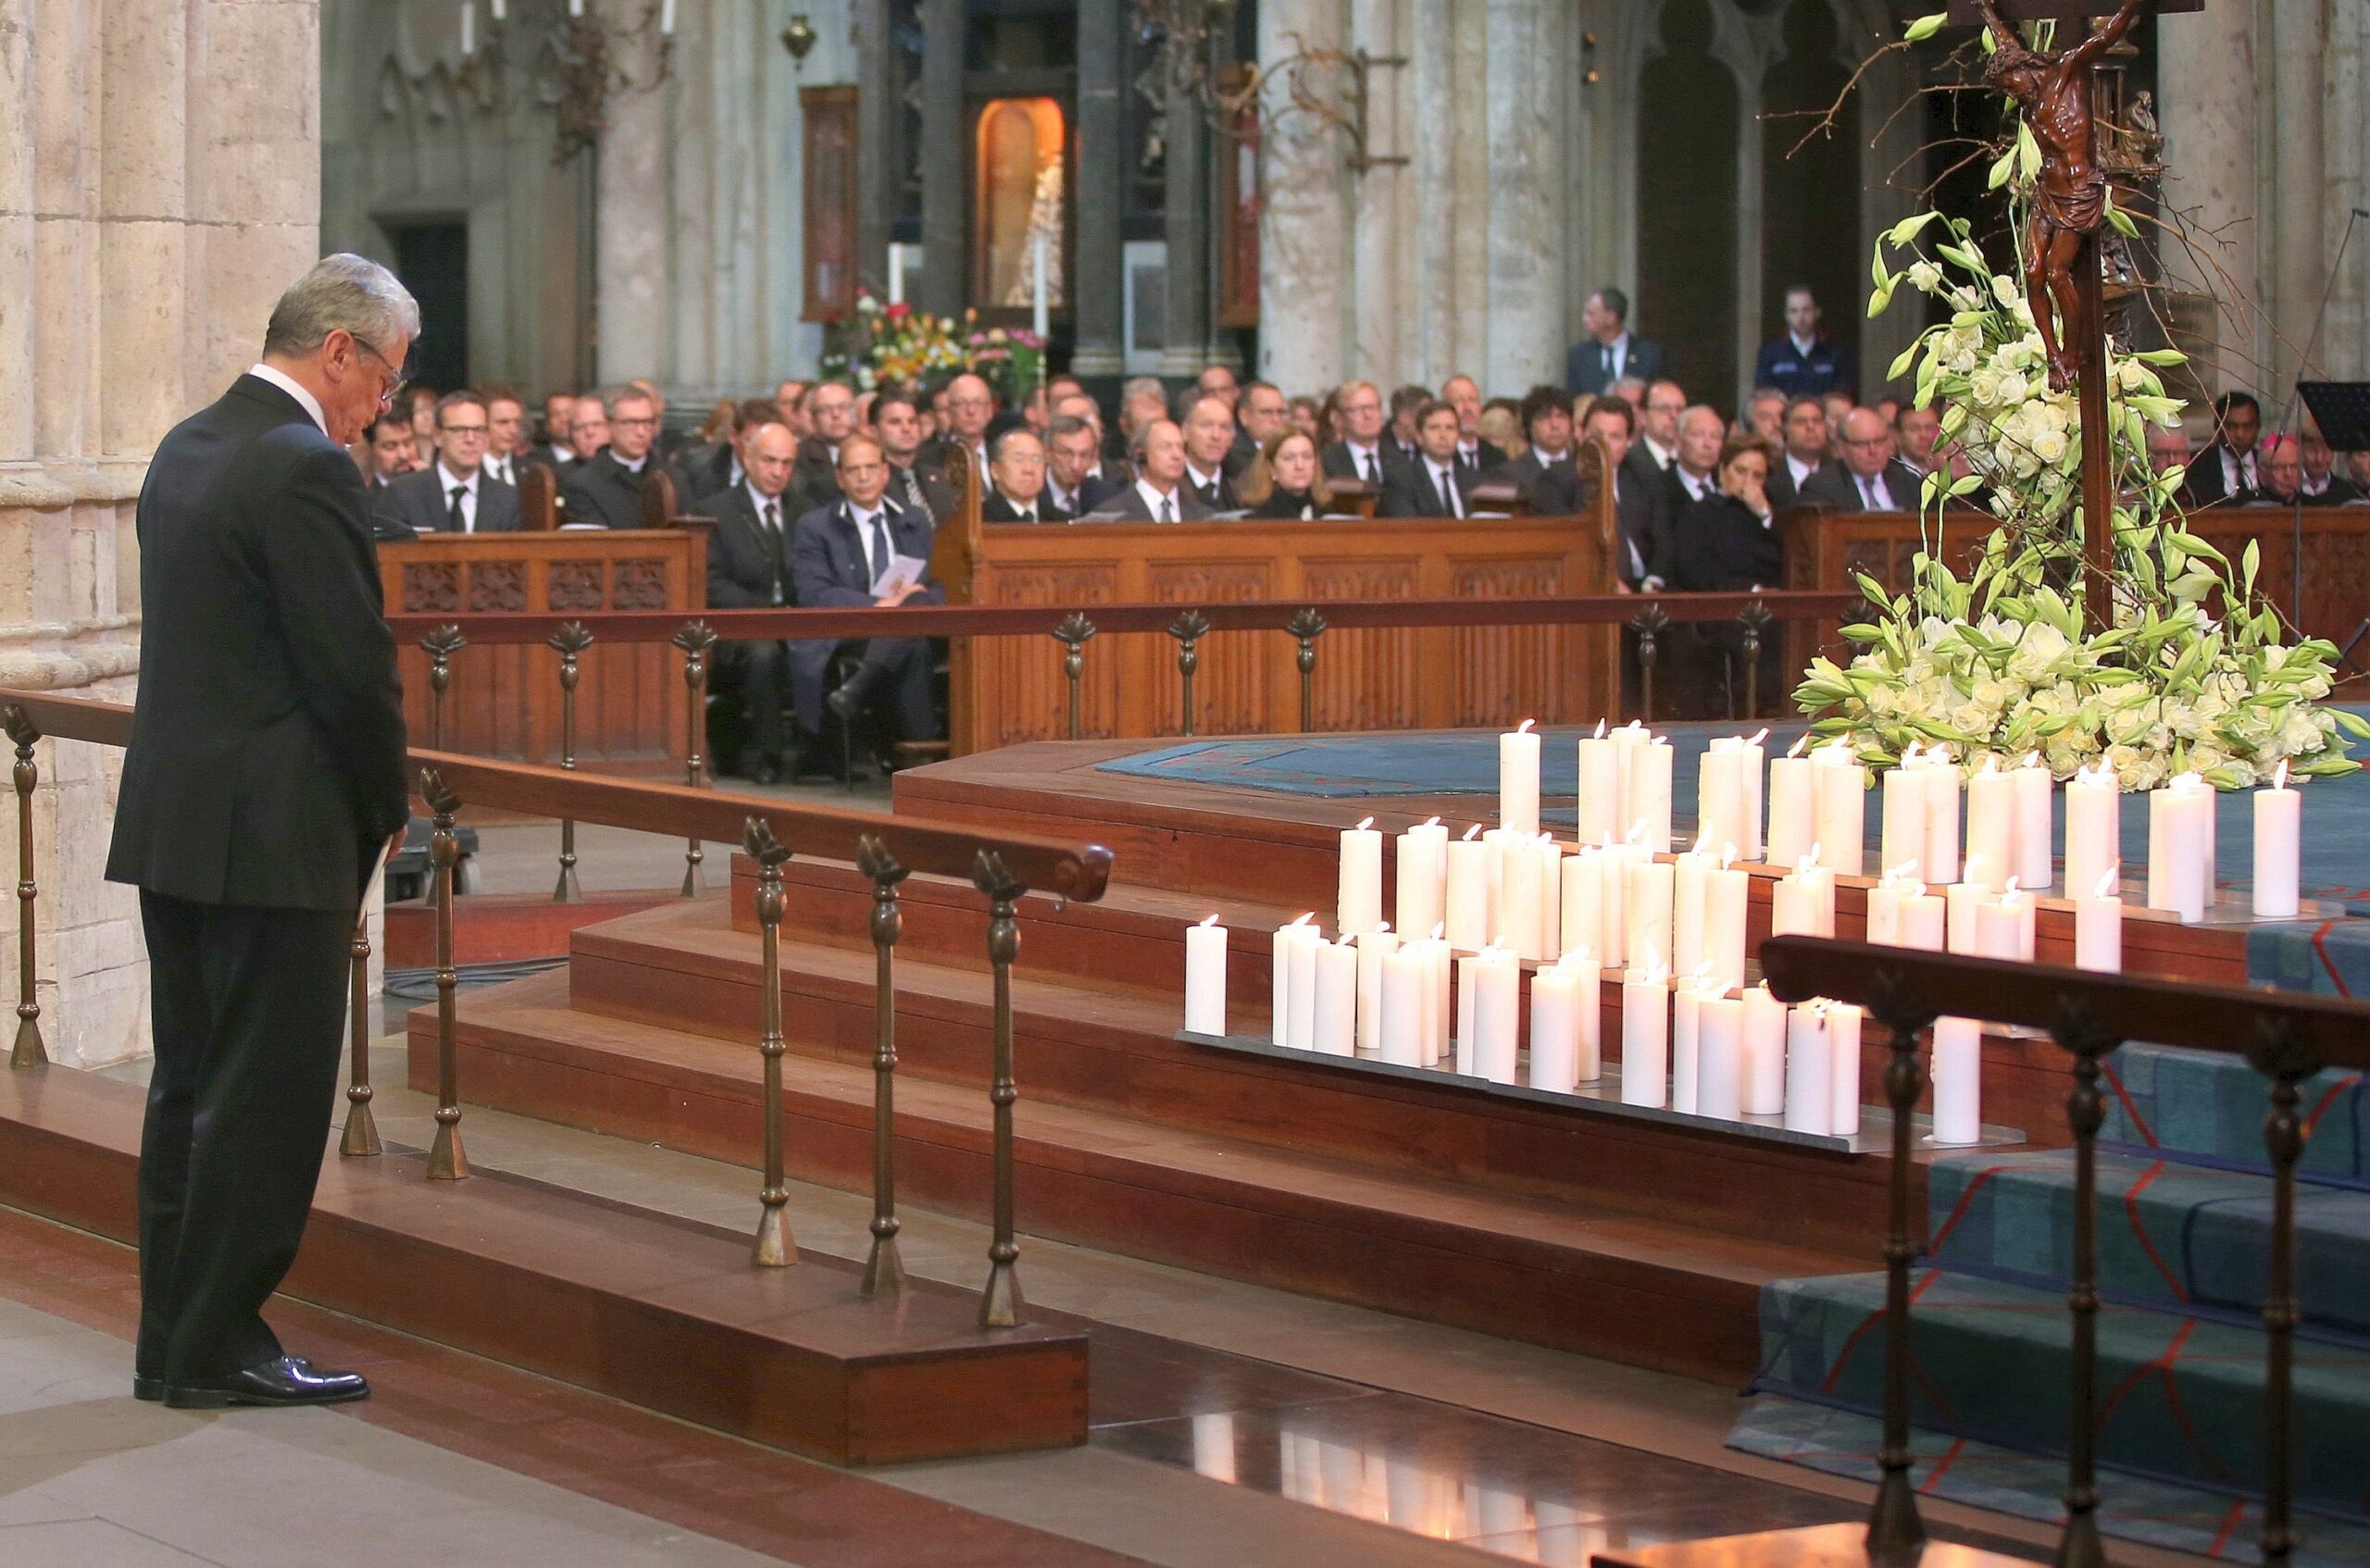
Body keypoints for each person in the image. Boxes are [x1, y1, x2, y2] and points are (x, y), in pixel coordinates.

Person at [107, 253, 413, 1412]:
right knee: (268, 1100)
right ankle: (220, 1340)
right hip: (277, 836)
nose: (379, 407)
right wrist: (385, 806)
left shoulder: (188, 442)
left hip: (177, 823)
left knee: (187, 1087)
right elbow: (349, 671)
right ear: (338, 349)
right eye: (383, 379)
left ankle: (172, 1341)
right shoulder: (302, 467)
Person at [790, 435, 943, 745]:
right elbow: (815, 593)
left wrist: (910, 601)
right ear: (840, 478)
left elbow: (934, 580)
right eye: (853, 470)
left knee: (915, 618)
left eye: (871, 468)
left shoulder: (914, 520)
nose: (863, 477)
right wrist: (882, 605)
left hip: (917, 621)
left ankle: (858, 688)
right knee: (914, 642)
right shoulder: (815, 526)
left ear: (886, 473)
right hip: (854, 627)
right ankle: (921, 750)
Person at [706, 419, 802, 782]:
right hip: (739, 626)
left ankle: (827, 753)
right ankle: (769, 757)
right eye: (769, 461)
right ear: (747, 458)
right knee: (764, 654)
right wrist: (766, 612)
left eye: (787, 463)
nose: (778, 472)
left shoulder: (802, 508)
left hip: (798, 620)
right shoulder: (717, 511)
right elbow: (711, 583)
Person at [1664, 435, 1785, 718]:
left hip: (1771, 608)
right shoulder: (1699, 514)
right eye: (1740, 471)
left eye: (1758, 476)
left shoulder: (1770, 518)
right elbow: (1694, 569)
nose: (1747, 483)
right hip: (1721, 609)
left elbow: (1783, 563)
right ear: (1722, 471)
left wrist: (1764, 514)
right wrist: (1750, 588)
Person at [382, 390, 521, 533]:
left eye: (478, 430)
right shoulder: (403, 494)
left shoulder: (508, 499)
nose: (470, 439)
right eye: (459, 430)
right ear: (437, 436)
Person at [559, 385, 661, 528]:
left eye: (647, 423)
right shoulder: (583, 484)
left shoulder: (672, 476)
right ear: (609, 425)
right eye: (630, 423)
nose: (641, 432)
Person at [1803, 408, 1922, 512]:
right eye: (1862, 444)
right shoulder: (1820, 487)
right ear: (1842, 448)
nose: (1873, 451)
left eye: (1879, 441)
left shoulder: (1910, 484)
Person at [873, 390, 958, 530]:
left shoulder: (939, 476)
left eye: (912, 421)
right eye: (895, 422)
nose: (906, 428)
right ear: (874, 431)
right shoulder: (873, 482)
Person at [1378, 401, 1478, 519]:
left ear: (1458, 436)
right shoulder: (1400, 481)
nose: (1443, 435)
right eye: (1434, 428)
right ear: (1419, 436)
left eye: (1450, 428)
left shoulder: (1473, 481)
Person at [1753, 287, 1857, 400]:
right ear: (1786, 315)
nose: (1800, 317)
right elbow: (1764, 396)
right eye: (1794, 311)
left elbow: (1843, 396)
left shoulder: (1836, 355)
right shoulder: (1770, 355)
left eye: (1806, 310)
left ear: (1817, 312)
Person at [1098, 418, 1210, 522]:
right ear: (1140, 454)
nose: (1177, 455)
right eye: (1166, 447)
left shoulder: (1204, 518)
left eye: (1180, 447)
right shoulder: (1111, 516)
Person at [1565, 287, 1665, 397]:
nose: (1584, 319)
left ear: (1611, 317)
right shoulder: (1580, 355)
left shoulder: (1649, 354)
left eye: (1591, 314)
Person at [1501, 385, 1581, 515]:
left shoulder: (1584, 470)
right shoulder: (1508, 475)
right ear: (1529, 425)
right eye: (1544, 417)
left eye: (1561, 416)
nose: (1555, 425)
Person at [788, 380, 859, 516]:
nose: (836, 415)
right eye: (825, 410)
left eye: (843, 407)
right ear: (813, 418)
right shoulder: (798, 457)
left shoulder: (873, 450)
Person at [2183, 392, 2261, 507]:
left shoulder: (2269, 464)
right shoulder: (2196, 465)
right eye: (2231, 427)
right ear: (2217, 425)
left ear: (2258, 426)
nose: (2240, 434)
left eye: (2247, 426)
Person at [1239, 429, 1334, 520]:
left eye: (1307, 457)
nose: (1300, 466)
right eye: (1289, 458)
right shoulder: (1256, 516)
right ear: (1272, 467)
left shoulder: (1326, 511)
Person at [980, 427, 1066, 523]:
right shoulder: (976, 521)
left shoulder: (1062, 522)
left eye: (1036, 460)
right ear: (995, 470)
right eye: (1018, 459)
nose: (1028, 469)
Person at [1767, 395, 1833, 513]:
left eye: (1817, 421)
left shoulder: (1840, 474)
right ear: (1785, 430)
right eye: (1801, 422)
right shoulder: (1769, 474)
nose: (1811, 427)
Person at [1180, 390, 1241, 512]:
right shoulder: (1170, 485)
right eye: (1206, 425)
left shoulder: (1242, 488)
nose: (1216, 436)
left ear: (1232, 438)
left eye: (1224, 427)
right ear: (1185, 432)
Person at [1321, 380, 1392, 486]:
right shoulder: (1325, 462)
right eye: (1358, 409)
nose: (1368, 415)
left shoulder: (1400, 460)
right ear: (1340, 417)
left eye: (1373, 407)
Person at [928, 372, 996, 478]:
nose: (970, 411)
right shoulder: (930, 461)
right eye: (961, 403)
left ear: (990, 411)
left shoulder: (1001, 455)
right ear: (949, 411)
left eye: (977, 402)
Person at [1045, 416, 1110, 517]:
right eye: (1066, 454)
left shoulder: (1106, 497)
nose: (1075, 465)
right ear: (1047, 453)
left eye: (1084, 455)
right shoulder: (1032, 494)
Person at [1440, 375, 1504, 472]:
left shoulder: (1497, 457)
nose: (1468, 408)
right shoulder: (1438, 455)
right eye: (1459, 401)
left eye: (1473, 400)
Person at [2300, 429, 2361, 504]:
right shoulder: (2289, 491)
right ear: (2300, 451)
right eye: (2313, 451)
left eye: (2326, 451)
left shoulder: (2349, 494)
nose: (2319, 459)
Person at [480, 388, 525, 488]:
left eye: (517, 422)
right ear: (482, 423)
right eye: (503, 422)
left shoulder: (530, 471)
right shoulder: (468, 472)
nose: (513, 430)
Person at [1239, 380, 1292, 454]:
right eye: (1266, 412)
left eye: (1280, 412)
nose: (1276, 419)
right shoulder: (1230, 456)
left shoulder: (1293, 450)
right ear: (1244, 417)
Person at [1896, 404, 1943, 479]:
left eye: (1930, 428)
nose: (1923, 435)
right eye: (1914, 429)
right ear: (1898, 434)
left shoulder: (1945, 473)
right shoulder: (1887, 477)